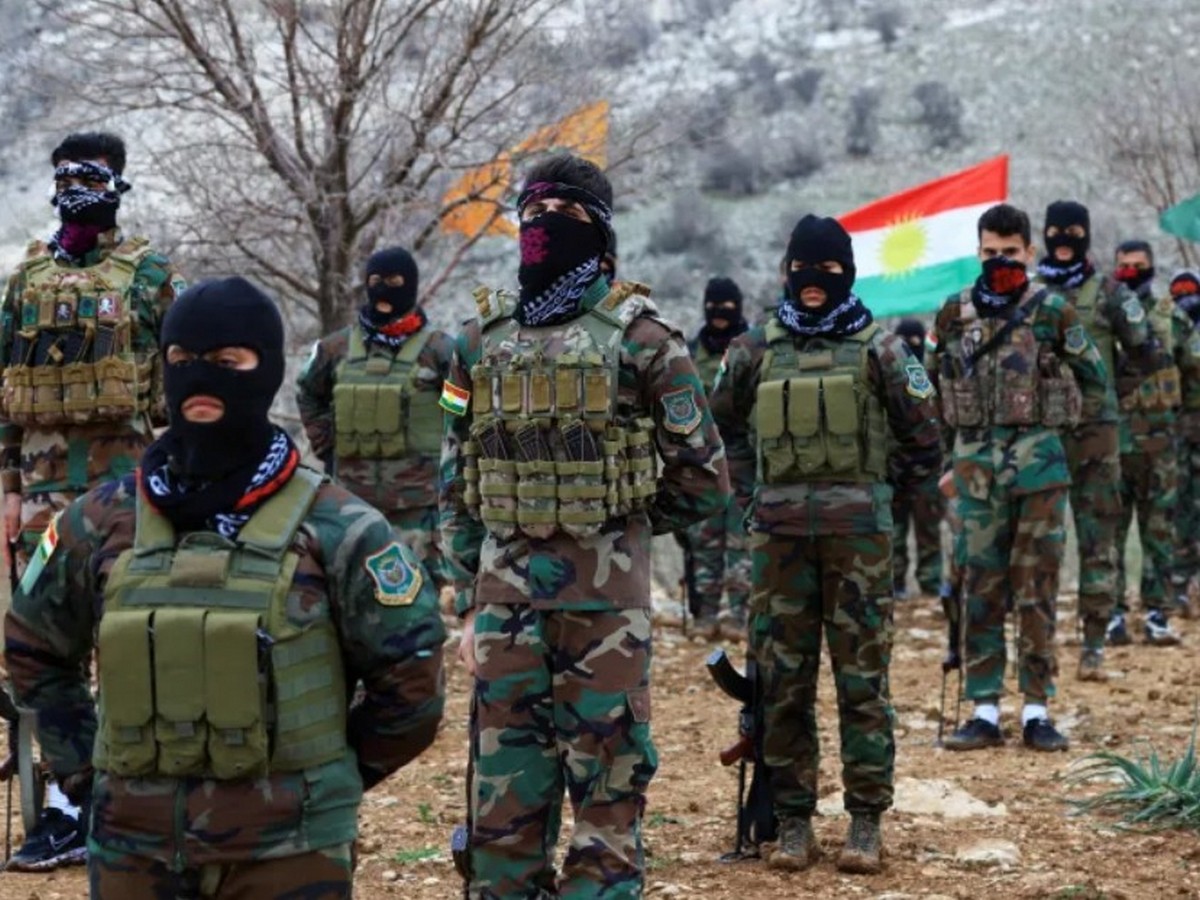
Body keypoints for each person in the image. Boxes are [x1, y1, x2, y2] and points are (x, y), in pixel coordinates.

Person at [4, 276, 446, 898]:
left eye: (226, 362)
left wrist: (327, 780)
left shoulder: (340, 526)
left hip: (290, 852)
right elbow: (34, 647)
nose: (200, 379)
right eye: (182, 360)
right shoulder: (101, 519)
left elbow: (413, 680)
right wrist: (84, 772)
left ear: (267, 370)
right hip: (133, 848)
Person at [440, 153, 728, 899]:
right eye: (532, 214)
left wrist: (621, 520)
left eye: (564, 215)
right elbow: (456, 476)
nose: (544, 227)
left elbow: (704, 477)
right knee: (501, 810)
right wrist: (467, 598)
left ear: (599, 232)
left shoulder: (646, 342)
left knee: (607, 798)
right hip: (504, 609)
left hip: (606, 616)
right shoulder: (476, 343)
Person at [710, 214, 942, 874]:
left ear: (848, 274)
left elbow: (925, 438)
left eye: (829, 270)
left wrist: (881, 500)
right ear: (787, 273)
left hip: (859, 546)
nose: (814, 281)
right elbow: (717, 430)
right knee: (783, 684)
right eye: (802, 269)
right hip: (779, 544)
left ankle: (865, 822)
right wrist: (751, 495)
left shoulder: (882, 350)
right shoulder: (754, 349)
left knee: (862, 684)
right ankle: (793, 823)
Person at [0, 130, 185, 871]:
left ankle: (133, 799)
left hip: (126, 493)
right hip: (42, 498)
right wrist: (8, 492)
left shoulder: (149, 274)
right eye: (67, 176)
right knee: (46, 648)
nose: (78, 188)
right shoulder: (24, 279)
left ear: (118, 184)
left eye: (94, 177)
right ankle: (69, 800)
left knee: (131, 643)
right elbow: (5, 394)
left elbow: (183, 385)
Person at [932, 203, 1114, 749]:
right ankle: (984, 710)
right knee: (980, 588)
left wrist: (1059, 430)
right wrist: (946, 463)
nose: (999, 261)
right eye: (990, 252)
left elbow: (1096, 380)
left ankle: (1037, 709)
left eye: (1010, 252)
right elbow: (938, 390)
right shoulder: (954, 313)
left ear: (1030, 253)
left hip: (1039, 473)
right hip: (975, 474)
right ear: (977, 252)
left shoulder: (1053, 310)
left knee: (1037, 589)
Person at [297, 246, 455, 589]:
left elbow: (464, 408)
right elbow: (308, 392)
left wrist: (452, 452)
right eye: (375, 281)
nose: (384, 290)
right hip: (353, 505)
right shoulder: (334, 349)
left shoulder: (440, 350)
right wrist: (325, 444)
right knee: (351, 592)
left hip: (420, 509)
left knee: (424, 597)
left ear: (410, 285)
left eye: (394, 281)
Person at [1033, 200, 1152, 659]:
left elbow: (1144, 350)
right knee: (1040, 541)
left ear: (1086, 235)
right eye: (1055, 232)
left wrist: (1110, 392)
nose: (1064, 241)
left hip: (1096, 433)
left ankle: (1095, 640)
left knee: (1098, 534)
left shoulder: (1109, 292)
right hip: (1041, 432)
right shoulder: (1030, 293)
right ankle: (1039, 642)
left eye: (1074, 232)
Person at [1110, 240, 1196, 648]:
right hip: (1112, 445)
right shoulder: (1103, 316)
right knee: (1110, 534)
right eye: (1124, 265)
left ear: (1151, 267)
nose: (1130, 271)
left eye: (1138, 265)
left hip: (1161, 445)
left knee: (1160, 533)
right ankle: (1112, 615)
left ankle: (1157, 614)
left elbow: (1192, 371)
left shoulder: (1170, 317)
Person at [680, 276, 752, 638]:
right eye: (713, 305)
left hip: (743, 462)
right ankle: (705, 615)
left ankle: (740, 616)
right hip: (703, 464)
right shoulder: (691, 352)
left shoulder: (751, 349)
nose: (719, 312)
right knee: (704, 543)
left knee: (742, 543)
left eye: (727, 306)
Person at [890, 317, 944, 598]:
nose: (911, 346)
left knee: (929, 532)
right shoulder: (888, 376)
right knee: (894, 533)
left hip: (928, 468)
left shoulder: (932, 378)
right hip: (895, 468)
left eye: (915, 340)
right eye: (904, 341)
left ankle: (931, 583)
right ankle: (895, 582)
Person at [1169, 269, 1200, 615]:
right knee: (1180, 510)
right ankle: (1178, 585)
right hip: (1178, 431)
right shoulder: (1170, 327)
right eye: (1179, 293)